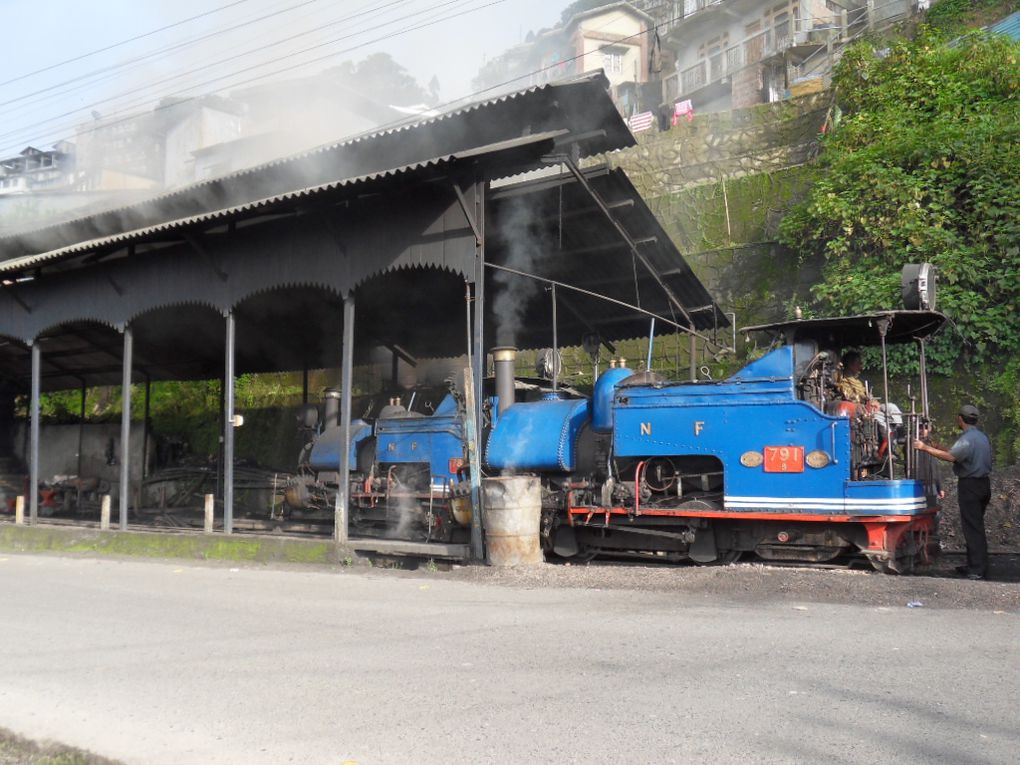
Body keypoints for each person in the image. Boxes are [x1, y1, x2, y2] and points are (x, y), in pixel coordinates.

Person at [913, 404, 993, 580]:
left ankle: (977, 570)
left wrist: (924, 447)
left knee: (972, 528)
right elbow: (953, 452)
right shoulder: (981, 437)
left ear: (960, 419)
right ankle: (975, 565)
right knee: (976, 526)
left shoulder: (967, 439)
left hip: (970, 486)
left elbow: (951, 457)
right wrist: (936, 446)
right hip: (983, 485)